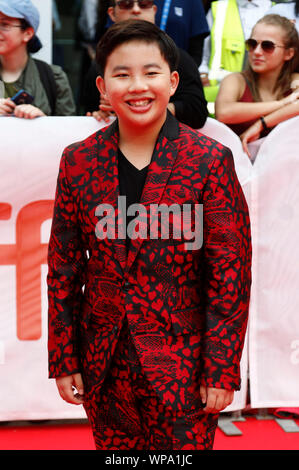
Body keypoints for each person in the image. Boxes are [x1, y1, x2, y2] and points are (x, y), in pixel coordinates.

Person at [48, 19, 252, 450]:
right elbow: (63, 267)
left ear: (173, 81)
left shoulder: (209, 160)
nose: (137, 85)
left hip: (185, 366)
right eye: (122, 74)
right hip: (103, 364)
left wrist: (221, 368)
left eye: (151, 72)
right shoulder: (78, 161)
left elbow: (230, 272)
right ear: (103, 86)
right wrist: (65, 358)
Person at [83, 0, 208, 129]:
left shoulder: (180, 59)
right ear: (102, 87)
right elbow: (91, 112)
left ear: (173, 81)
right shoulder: (100, 64)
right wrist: (101, 116)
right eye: (126, 4)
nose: (136, 10)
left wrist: (146, 107)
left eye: (144, 4)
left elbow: (197, 112)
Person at [215, 14, 299, 158]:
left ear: (289, 53)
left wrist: (260, 124)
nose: (257, 52)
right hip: (236, 169)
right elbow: (224, 113)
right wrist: (282, 103)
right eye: (252, 44)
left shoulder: (295, 81)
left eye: (267, 46)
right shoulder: (236, 80)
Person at [0, 0, 76, 118]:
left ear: (28, 33)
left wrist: (42, 120)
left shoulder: (54, 77)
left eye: (5, 25)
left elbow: (69, 131)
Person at [199, 0, 273, 103]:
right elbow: (202, 49)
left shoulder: (275, 10)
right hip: (216, 93)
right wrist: (203, 73)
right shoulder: (219, 8)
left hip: (262, 93)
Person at [153, 0, 210, 66]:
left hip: (178, 68)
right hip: (142, 60)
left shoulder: (192, 2)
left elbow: (196, 51)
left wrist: (184, 71)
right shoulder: (143, 6)